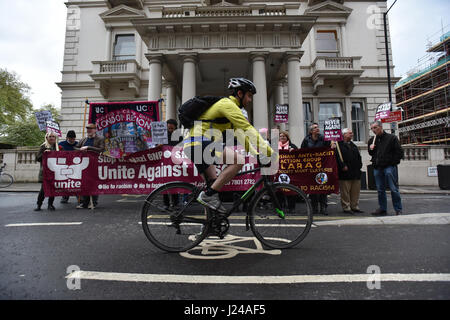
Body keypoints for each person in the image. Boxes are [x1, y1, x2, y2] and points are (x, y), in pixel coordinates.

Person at [183, 77, 274, 213]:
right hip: (199, 142)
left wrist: (257, 155)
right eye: (249, 96)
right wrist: (269, 153)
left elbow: (242, 137)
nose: (250, 100)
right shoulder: (227, 104)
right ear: (239, 93)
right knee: (239, 160)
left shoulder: (230, 110)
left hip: (192, 145)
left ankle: (209, 227)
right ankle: (209, 197)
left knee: (213, 188)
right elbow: (247, 128)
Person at [368, 120, 404, 216]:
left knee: (393, 188)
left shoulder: (391, 138)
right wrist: (371, 148)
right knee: (380, 189)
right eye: (372, 128)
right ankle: (382, 208)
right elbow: (371, 153)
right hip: (377, 167)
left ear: (381, 127)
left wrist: (392, 163)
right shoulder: (372, 140)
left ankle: (398, 209)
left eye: (375, 128)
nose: (373, 130)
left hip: (389, 167)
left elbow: (399, 152)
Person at [300, 123, 336, 215]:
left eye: (317, 127)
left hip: (322, 167)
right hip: (311, 168)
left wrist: (332, 144)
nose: (317, 129)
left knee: (323, 187)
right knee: (312, 188)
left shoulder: (324, 139)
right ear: (311, 131)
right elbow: (301, 152)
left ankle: (323, 207)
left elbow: (330, 149)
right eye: (315, 128)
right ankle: (314, 207)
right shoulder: (306, 140)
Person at [75, 123, 105, 209]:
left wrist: (88, 148)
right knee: (84, 184)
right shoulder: (83, 139)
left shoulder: (100, 139)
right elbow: (76, 148)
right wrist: (80, 149)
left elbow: (101, 149)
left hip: (95, 164)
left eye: (91, 129)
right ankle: (85, 202)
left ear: (95, 130)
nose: (89, 130)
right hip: (84, 165)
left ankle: (94, 202)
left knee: (94, 183)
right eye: (88, 129)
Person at [336, 128, 363, 214]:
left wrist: (359, 166)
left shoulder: (353, 145)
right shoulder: (338, 146)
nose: (352, 134)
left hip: (355, 172)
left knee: (355, 191)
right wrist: (342, 166)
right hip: (345, 172)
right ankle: (346, 207)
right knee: (345, 191)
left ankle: (354, 206)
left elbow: (358, 157)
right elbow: (337, 158)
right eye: (350, 133)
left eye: (352, 133)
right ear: (344, 135)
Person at [34, 132, 59, 212]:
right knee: (43, 190)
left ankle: (50, 204)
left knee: (52, 189)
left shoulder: (58, 147)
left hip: (54, 171)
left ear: (55, 138)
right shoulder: (43, 146)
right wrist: (44, 154)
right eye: (50, 136)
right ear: (47, 138)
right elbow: (37, 158)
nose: (51, 138)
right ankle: (39, 204)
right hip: (45, 171)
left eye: (53, 136)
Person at [58, 130, 78, 204]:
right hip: (64, 167)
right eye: (70, 138)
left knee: (75, 182)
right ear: (67, 138)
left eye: (73, 138)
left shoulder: (77, 144)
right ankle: (65, 197)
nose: (71, 140)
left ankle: (78, 197)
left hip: (75, 167)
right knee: (65, 182)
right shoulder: (61, 144)